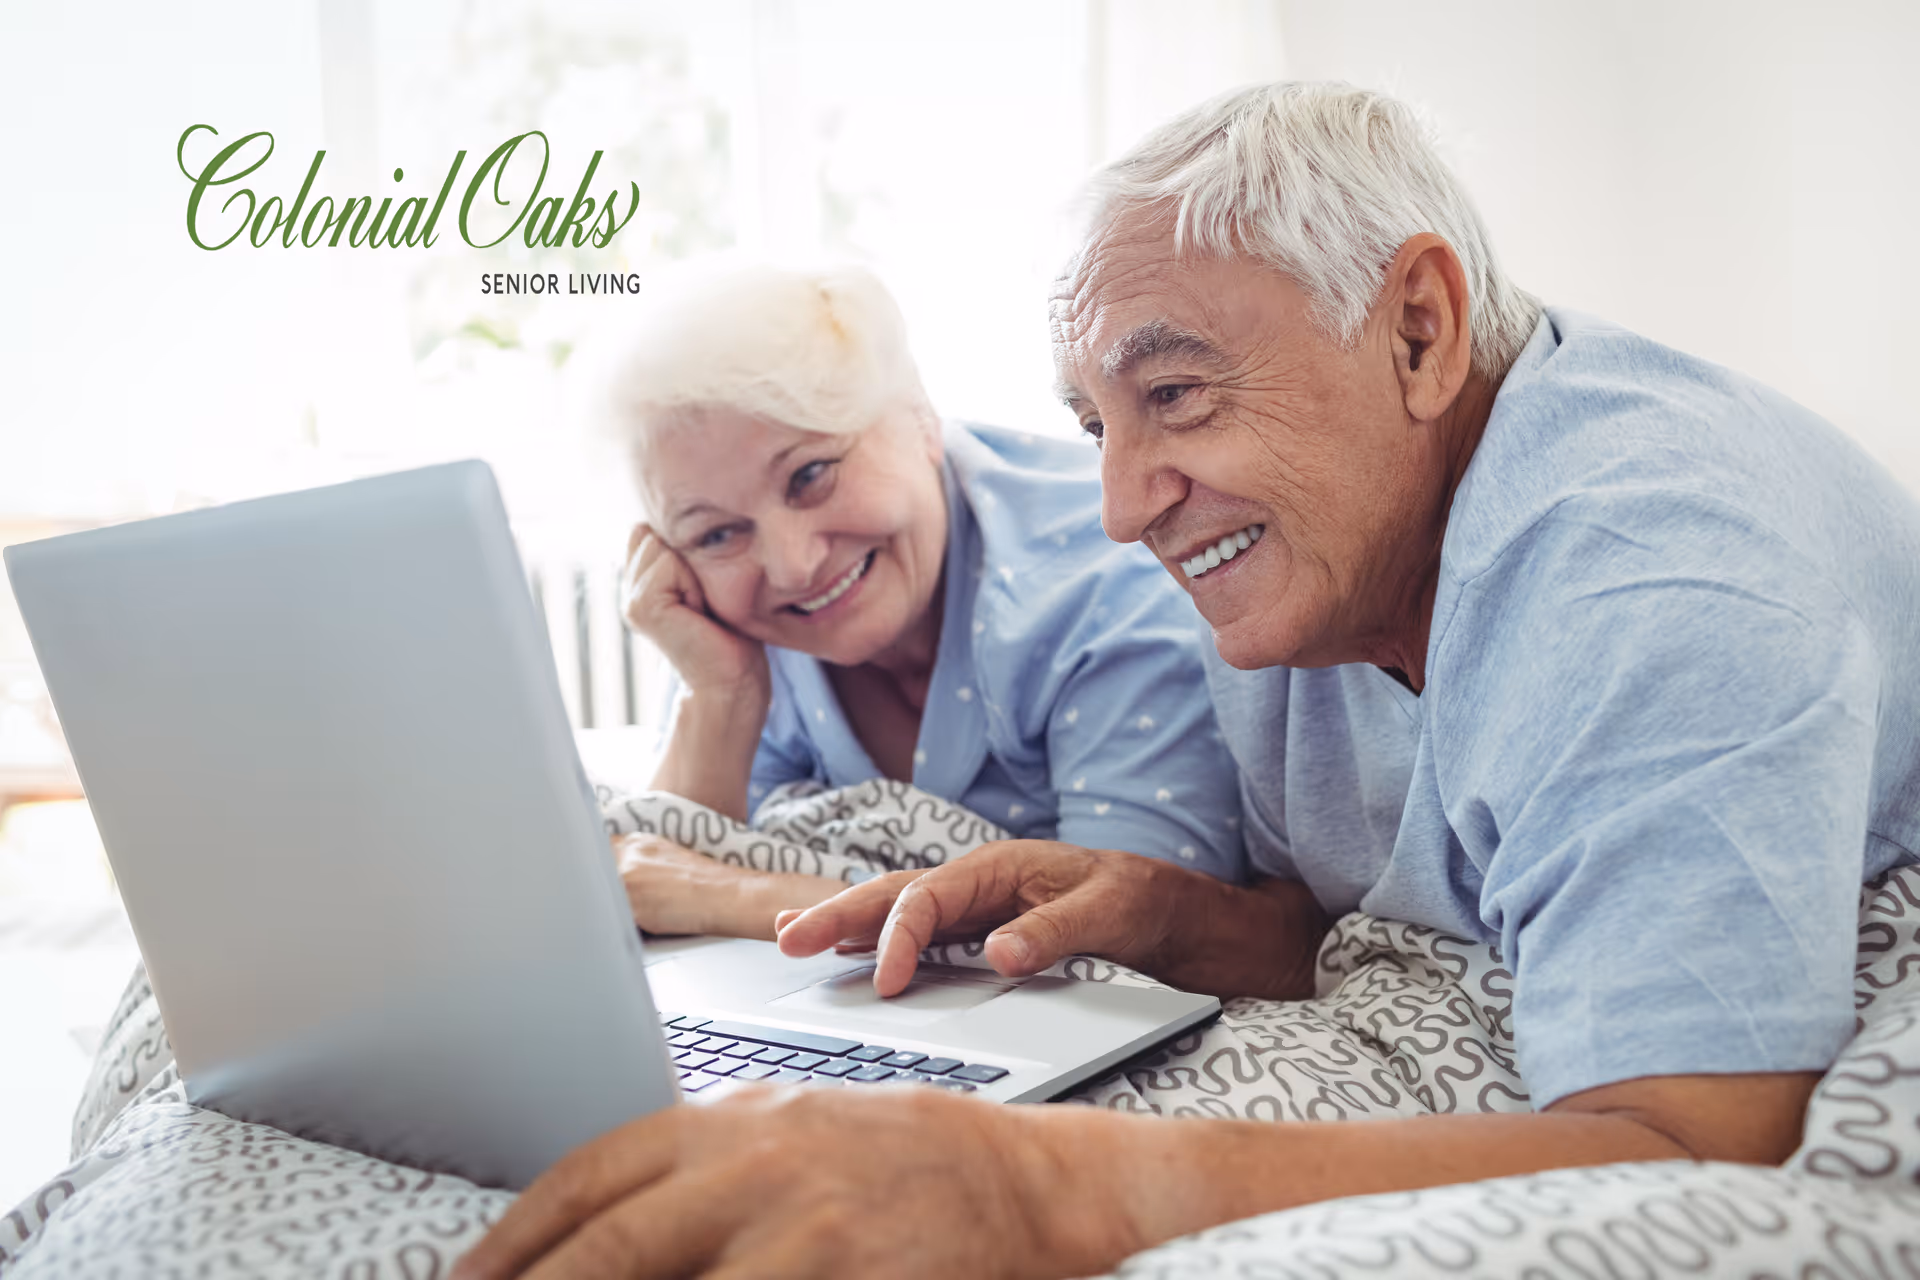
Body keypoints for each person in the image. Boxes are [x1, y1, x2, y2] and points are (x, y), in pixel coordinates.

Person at [454, 84, 1920, 1280]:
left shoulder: (1652, 581)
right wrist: (1174, 916)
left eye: (1174, 395)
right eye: (1092, 422)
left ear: (1419, 328)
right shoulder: (1306, 577)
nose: (1118, 506)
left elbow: (1695, 1145)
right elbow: (1374, 905)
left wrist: (1034, 1189)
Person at [596, 262, 1244, 939]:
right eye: (717, 532)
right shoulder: (733, 624)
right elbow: (652, 892)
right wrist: (719, 700)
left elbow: (1131, 934)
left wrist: (727, 896)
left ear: (920, 420)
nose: (792, 566)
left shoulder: (1104, 575)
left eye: (811, 474)